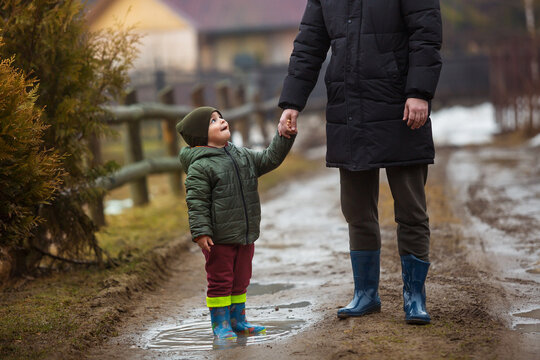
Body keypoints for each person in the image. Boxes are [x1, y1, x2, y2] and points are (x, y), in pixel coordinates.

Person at [278, 0, 442, 324]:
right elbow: (309, 45)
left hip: (400, 106)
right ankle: (365, 293)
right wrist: (292, 102)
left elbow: (426, 34)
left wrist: (420, 92)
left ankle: (414, 297)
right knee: (356, 210)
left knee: (410, 208)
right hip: (348, 109)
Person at [177, 107, 296, 339]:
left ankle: (238, 320)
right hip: (218, 238)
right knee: (221, 280)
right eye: (213, 121)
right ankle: (220, 324)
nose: (222, 120)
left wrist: (283, 136)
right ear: (201, 135)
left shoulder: (242, 155)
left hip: (245, 233)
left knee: (241, 279)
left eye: (220, 117)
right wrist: (201, 232)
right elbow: (196, 201)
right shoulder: (200, 166)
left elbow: (270, 158)